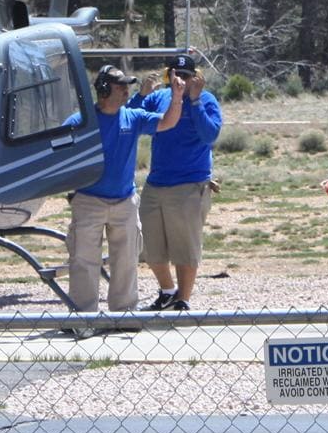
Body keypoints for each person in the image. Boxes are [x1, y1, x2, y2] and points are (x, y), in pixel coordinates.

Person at [63, 65, 186, 315]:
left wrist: (177, 97)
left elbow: (168, 121)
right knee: (83, 261)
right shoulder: (81, 122)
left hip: (125, 202)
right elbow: (59, 151)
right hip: (88, 201)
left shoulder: (132, 116)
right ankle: (83, 317)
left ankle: (124, 314)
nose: (126, 91)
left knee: (126, 262)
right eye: (121, 86)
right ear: (105, 89)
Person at [131, 55, 222, 311]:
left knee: (185, 247)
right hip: (157, 182)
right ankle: (168, 291)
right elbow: (133, 120)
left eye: (186, 74)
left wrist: (194, 101)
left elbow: (210, 134)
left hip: (190, 184)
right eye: (175, 74)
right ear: (167, 75)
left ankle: (183, 300)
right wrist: (141, 95)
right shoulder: (158, 98)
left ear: (196, 77)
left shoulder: (206, 100)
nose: (180, 79)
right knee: (150, 245)